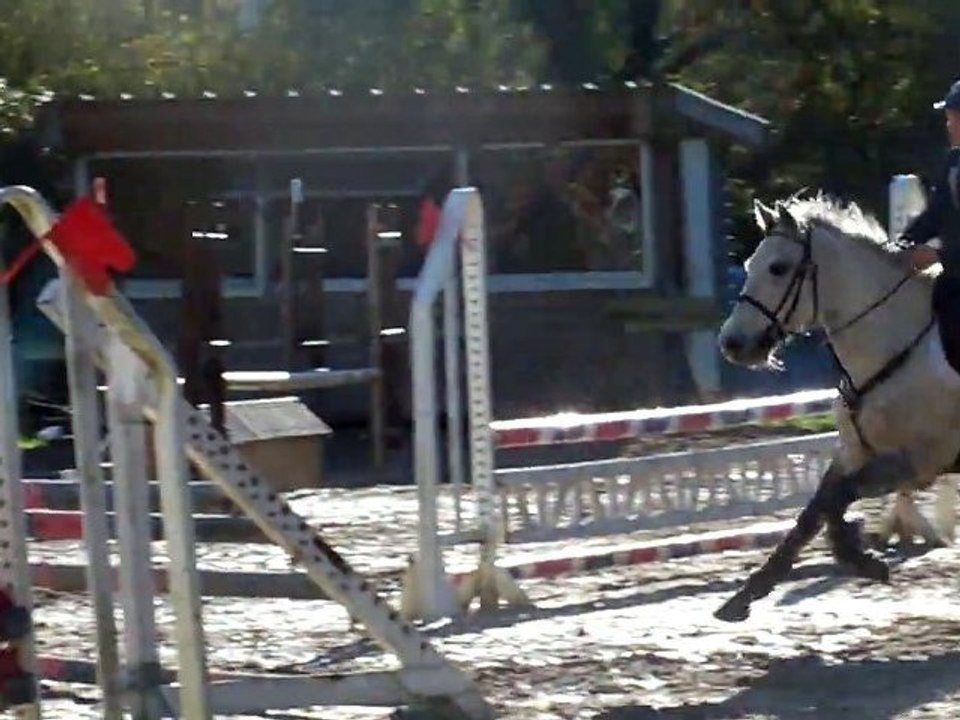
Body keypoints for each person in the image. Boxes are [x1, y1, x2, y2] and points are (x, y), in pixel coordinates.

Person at [899, 79, 960, 368]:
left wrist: (938, 256)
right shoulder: (953, 162)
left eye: (954, 118)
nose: (949, 125)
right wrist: (900, 244)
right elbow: (935, 215)